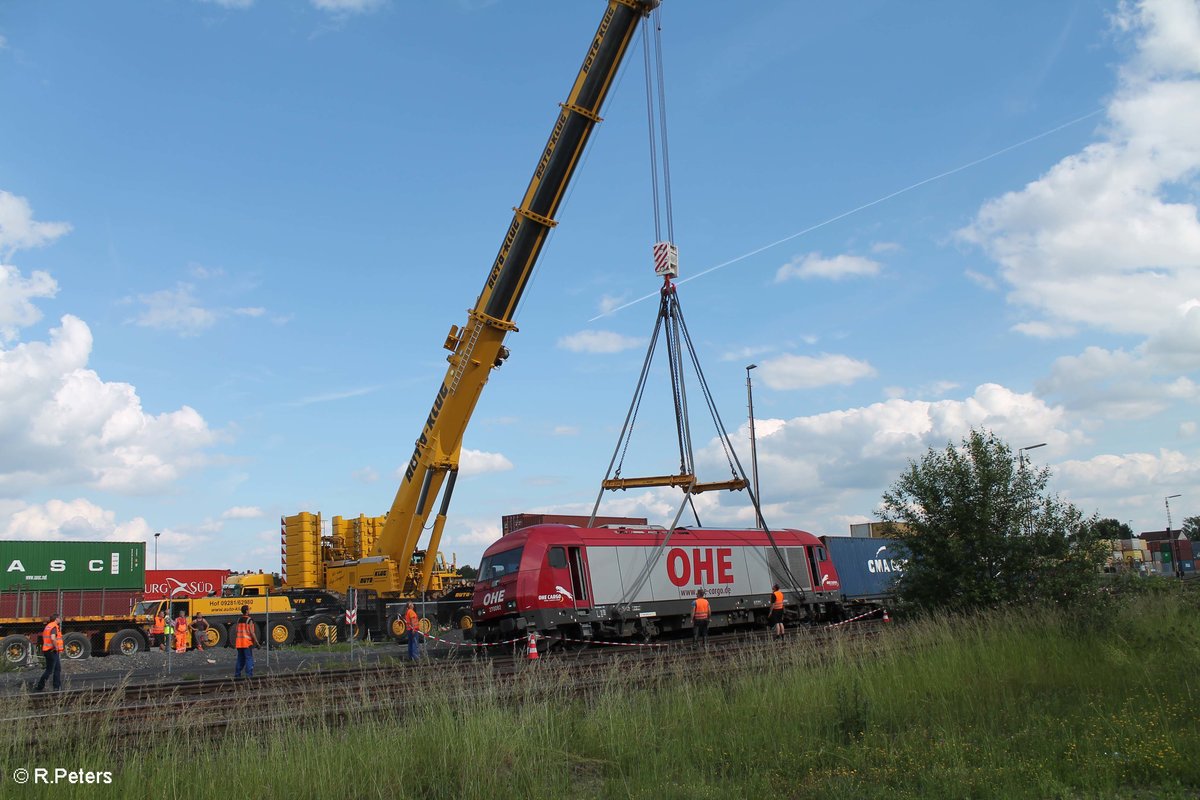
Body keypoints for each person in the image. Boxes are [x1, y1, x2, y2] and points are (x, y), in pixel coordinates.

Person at [34, 613, 64, 692]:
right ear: (56, 619)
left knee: (57, 668)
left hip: (49, 650)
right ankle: (40, 686)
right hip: (52, 650)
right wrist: (56, 647)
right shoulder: (53, 627)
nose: (60, 619)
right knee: (49, 670)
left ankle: (57, 687)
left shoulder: (48, 626)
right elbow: (53, 638)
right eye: (59, 618)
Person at [233, 605, 259, 679]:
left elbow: (236, 631)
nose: (249, 610)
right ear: (247, 611)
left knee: (240, 659)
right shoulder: (249, 620)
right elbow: (252, 632)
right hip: (246, 643)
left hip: (239, 643)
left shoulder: (239, 619)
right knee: (249, 659)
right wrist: (256, 642)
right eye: (249, 609)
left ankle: (237, 675)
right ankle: (249, 675)